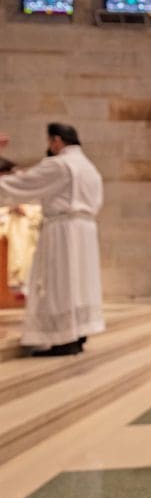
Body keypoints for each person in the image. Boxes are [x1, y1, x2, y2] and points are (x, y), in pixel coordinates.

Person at [0, 123, 105, 356]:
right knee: (80, 285)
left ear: (56, 141)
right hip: (85, 230)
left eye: (49, 142)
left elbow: (22, 186)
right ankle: (77, 335)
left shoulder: (60, 165)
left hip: (63, 231)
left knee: (59, 282)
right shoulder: (90, 168)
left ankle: (62, 339)